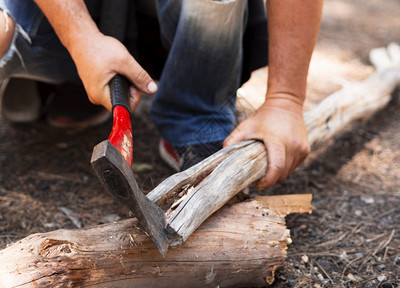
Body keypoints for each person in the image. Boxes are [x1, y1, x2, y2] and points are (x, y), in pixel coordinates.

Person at [0, 0, 322, 190]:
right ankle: (69, 83)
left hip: (191, 26)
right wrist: (80, 39)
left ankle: (195, 114)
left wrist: (285, 98)